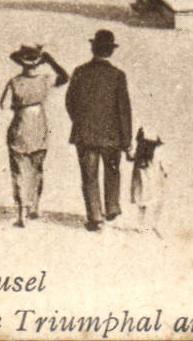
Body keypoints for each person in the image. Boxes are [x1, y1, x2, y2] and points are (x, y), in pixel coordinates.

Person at [65, 29, 133, 232]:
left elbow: (70, 102)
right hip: (111, 135)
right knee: (112, 172)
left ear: (93, 48)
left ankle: (95, 216)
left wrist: (80, 121)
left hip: (85, 134)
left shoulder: (79, 72)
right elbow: (124, 110)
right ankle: (112, 209)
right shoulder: (117, 75)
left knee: (89, 176)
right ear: (110, 51)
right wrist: (127, 139)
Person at [1, 45, 69, 225]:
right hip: (39, 124)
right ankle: (35, 206)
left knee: (19, 169)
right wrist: (51, 61)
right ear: (39, 63)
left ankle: (21, 211)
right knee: (37, 168)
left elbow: (4, 104)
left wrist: (19, 103)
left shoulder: (15, 82)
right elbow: (65, 77)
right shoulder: (46, 80)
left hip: (20, 123)